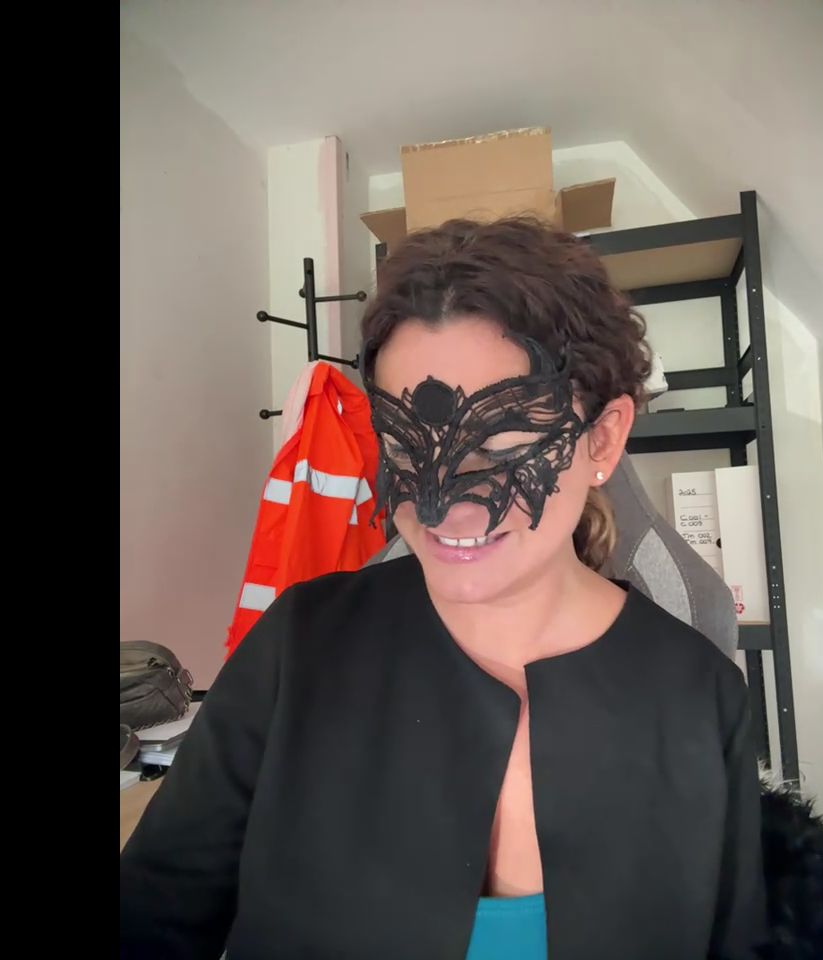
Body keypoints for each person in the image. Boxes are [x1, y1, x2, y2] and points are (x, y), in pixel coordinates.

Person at [120, 217, 767, 959]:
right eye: (405, 446)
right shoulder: (300, 650)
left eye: (500, 445)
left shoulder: (700, 699)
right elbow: (151, 919)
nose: (439, 504)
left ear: (603, 437)